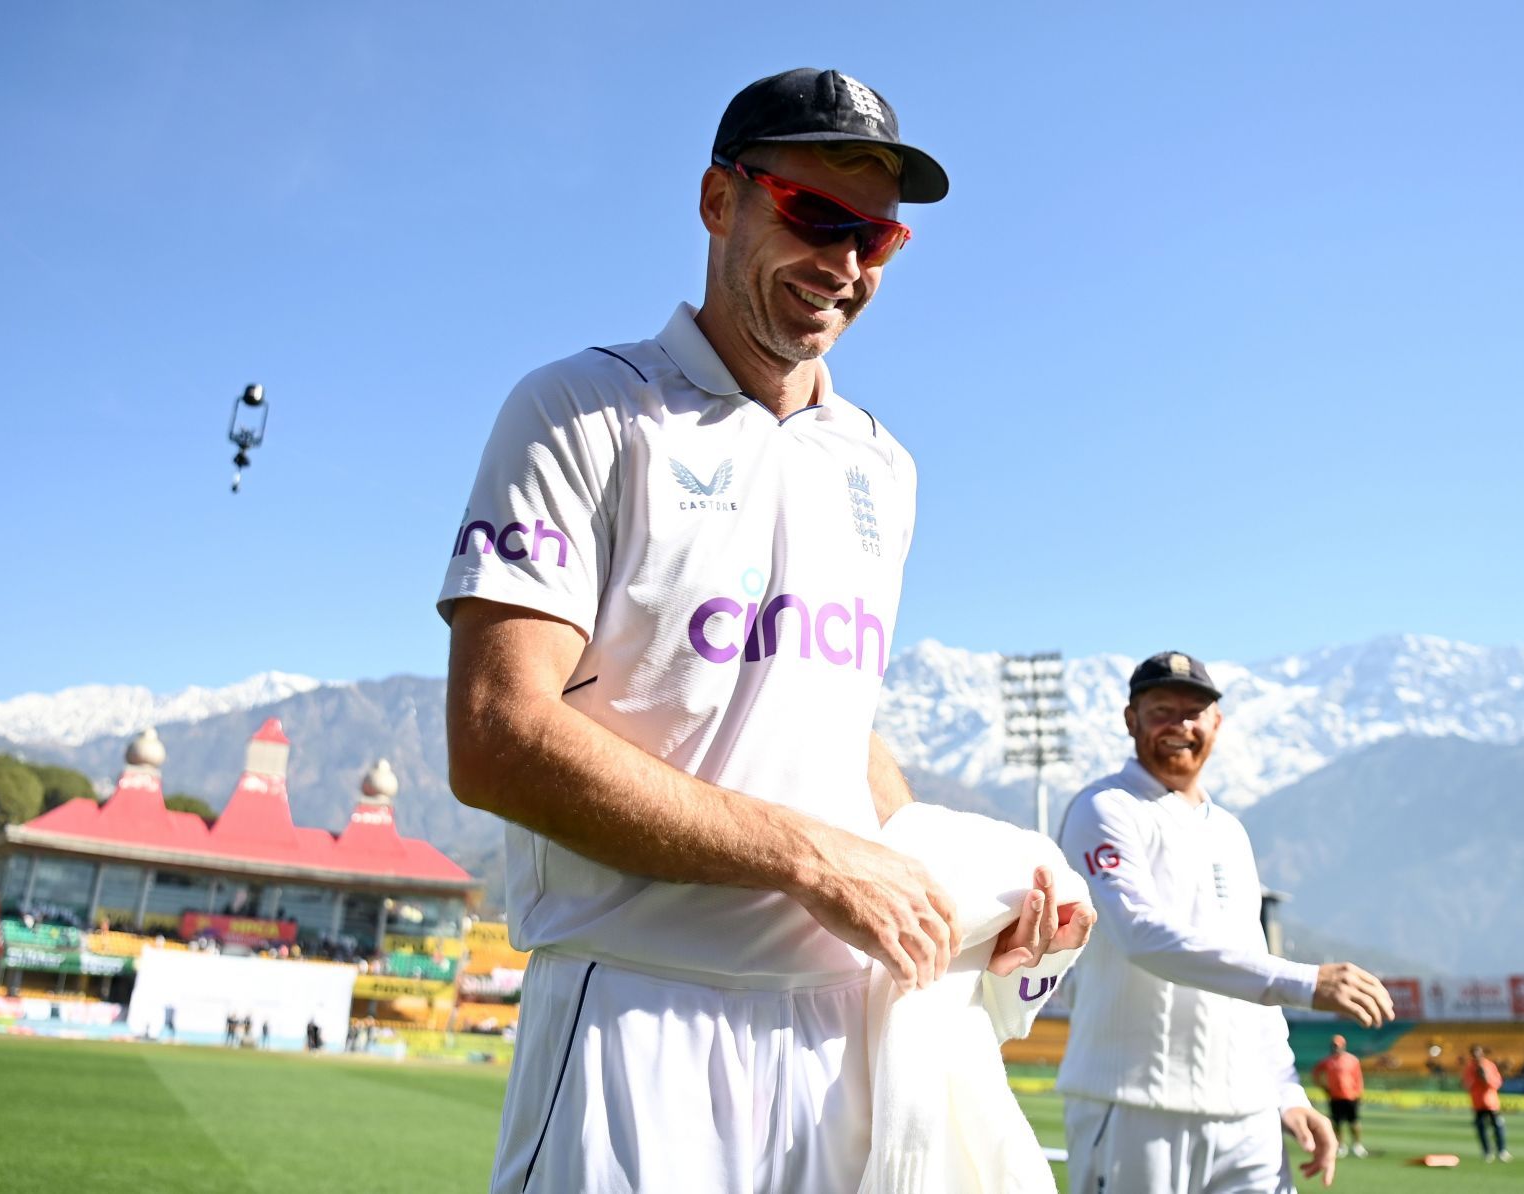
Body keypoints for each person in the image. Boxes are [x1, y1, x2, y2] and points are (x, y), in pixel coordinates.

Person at [439, 67, 1087, 1194]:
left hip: (848, 1036)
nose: (843, 265)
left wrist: (960, 885)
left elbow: (828, 735)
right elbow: (497, 734)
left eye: (875, 238)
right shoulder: (579, 411)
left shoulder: (884, 464)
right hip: (642, 1009)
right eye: (812, 216)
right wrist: (807, 857)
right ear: (716, 200)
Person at [1056, 650, 1396, 1194]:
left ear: (1216, 723)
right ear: (1131, 720)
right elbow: (1138, 935)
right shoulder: (1104, 809)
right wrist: (1306, 981)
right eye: (1162, 710)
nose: (1180, 726)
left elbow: (1247, 959)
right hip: (1132, 1105)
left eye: (1195, 712)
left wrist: (1287, 1091)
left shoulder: (1230, 832)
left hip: (1248, 1114)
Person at [1311, 1035, 1367, 1158]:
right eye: (1333, 1045)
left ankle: (1357, 1145)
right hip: (1335, 1096)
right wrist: (1323, 1087)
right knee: (1337, 1123)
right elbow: (1315, 1073)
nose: (1335, 1048)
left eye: (1337, 1045)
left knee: (1354, 1122)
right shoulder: (1327, 1061)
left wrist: (1359, 1093)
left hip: (1351, 1096)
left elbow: (1358, 1078)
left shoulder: (1353, 1060)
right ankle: (1341, 1145)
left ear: (1343, 1045)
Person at [1461, 1044, 1508, 1162]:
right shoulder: (1469, 1067)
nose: (1476, 1056)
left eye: (1478, 1053)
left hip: (1491, 1103)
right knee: (1481, 1128)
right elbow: (1466, 1084)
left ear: (1482, 1053)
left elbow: (1497, 1083)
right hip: (1478, 1103)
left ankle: (1502, 1150)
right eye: (1474, 1053)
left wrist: (1486, 1078)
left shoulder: (1489, 1065)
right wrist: (1476, 1077)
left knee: (1498, 1126)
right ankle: (1487, 1152)